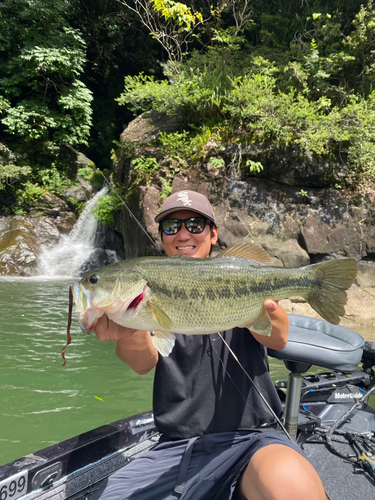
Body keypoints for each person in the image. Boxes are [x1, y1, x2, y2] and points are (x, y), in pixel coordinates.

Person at [93, 190, 326, 500]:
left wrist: (265, 308)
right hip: (177, 448)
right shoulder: (146, 293)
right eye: (171, 227)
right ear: (162, 236)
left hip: (252, 439)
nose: (183, 234)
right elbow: (142, 362)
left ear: (213, 233)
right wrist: (128, 328)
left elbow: (279, 335)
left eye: (194, 224)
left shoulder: (234, 273)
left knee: (290, 485)